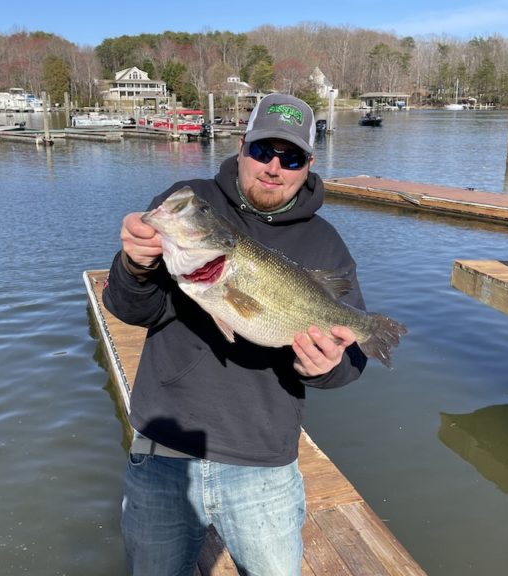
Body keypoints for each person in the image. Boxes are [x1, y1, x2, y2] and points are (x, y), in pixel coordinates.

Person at [103, 93, 370, 576]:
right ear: (241, 147)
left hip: (264, 466)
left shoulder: (326, 243)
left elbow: (352, 362)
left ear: (308, 165)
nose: (273, 167)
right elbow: (129, 309)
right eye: (263, 151)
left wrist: (326, 368)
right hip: (165, 451)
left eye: (290, 158)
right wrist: (133, 265)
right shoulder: (190, 203)